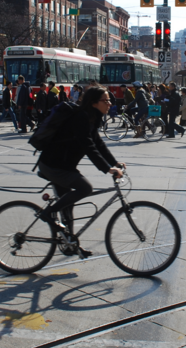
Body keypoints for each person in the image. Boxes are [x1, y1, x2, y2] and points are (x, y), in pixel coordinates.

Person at [37, 85, 125, 256]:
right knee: (85, 188)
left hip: (63, 166)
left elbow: (98, 144)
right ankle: (48, 213)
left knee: (68, 207)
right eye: (105, 100)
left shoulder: (92, 118)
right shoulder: (81, 118)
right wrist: (107, 168)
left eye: (109, 100)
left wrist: (115, 163)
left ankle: (70, 244)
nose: (109, 103)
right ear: (93, 103)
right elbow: (88, 146)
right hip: (53, 165)